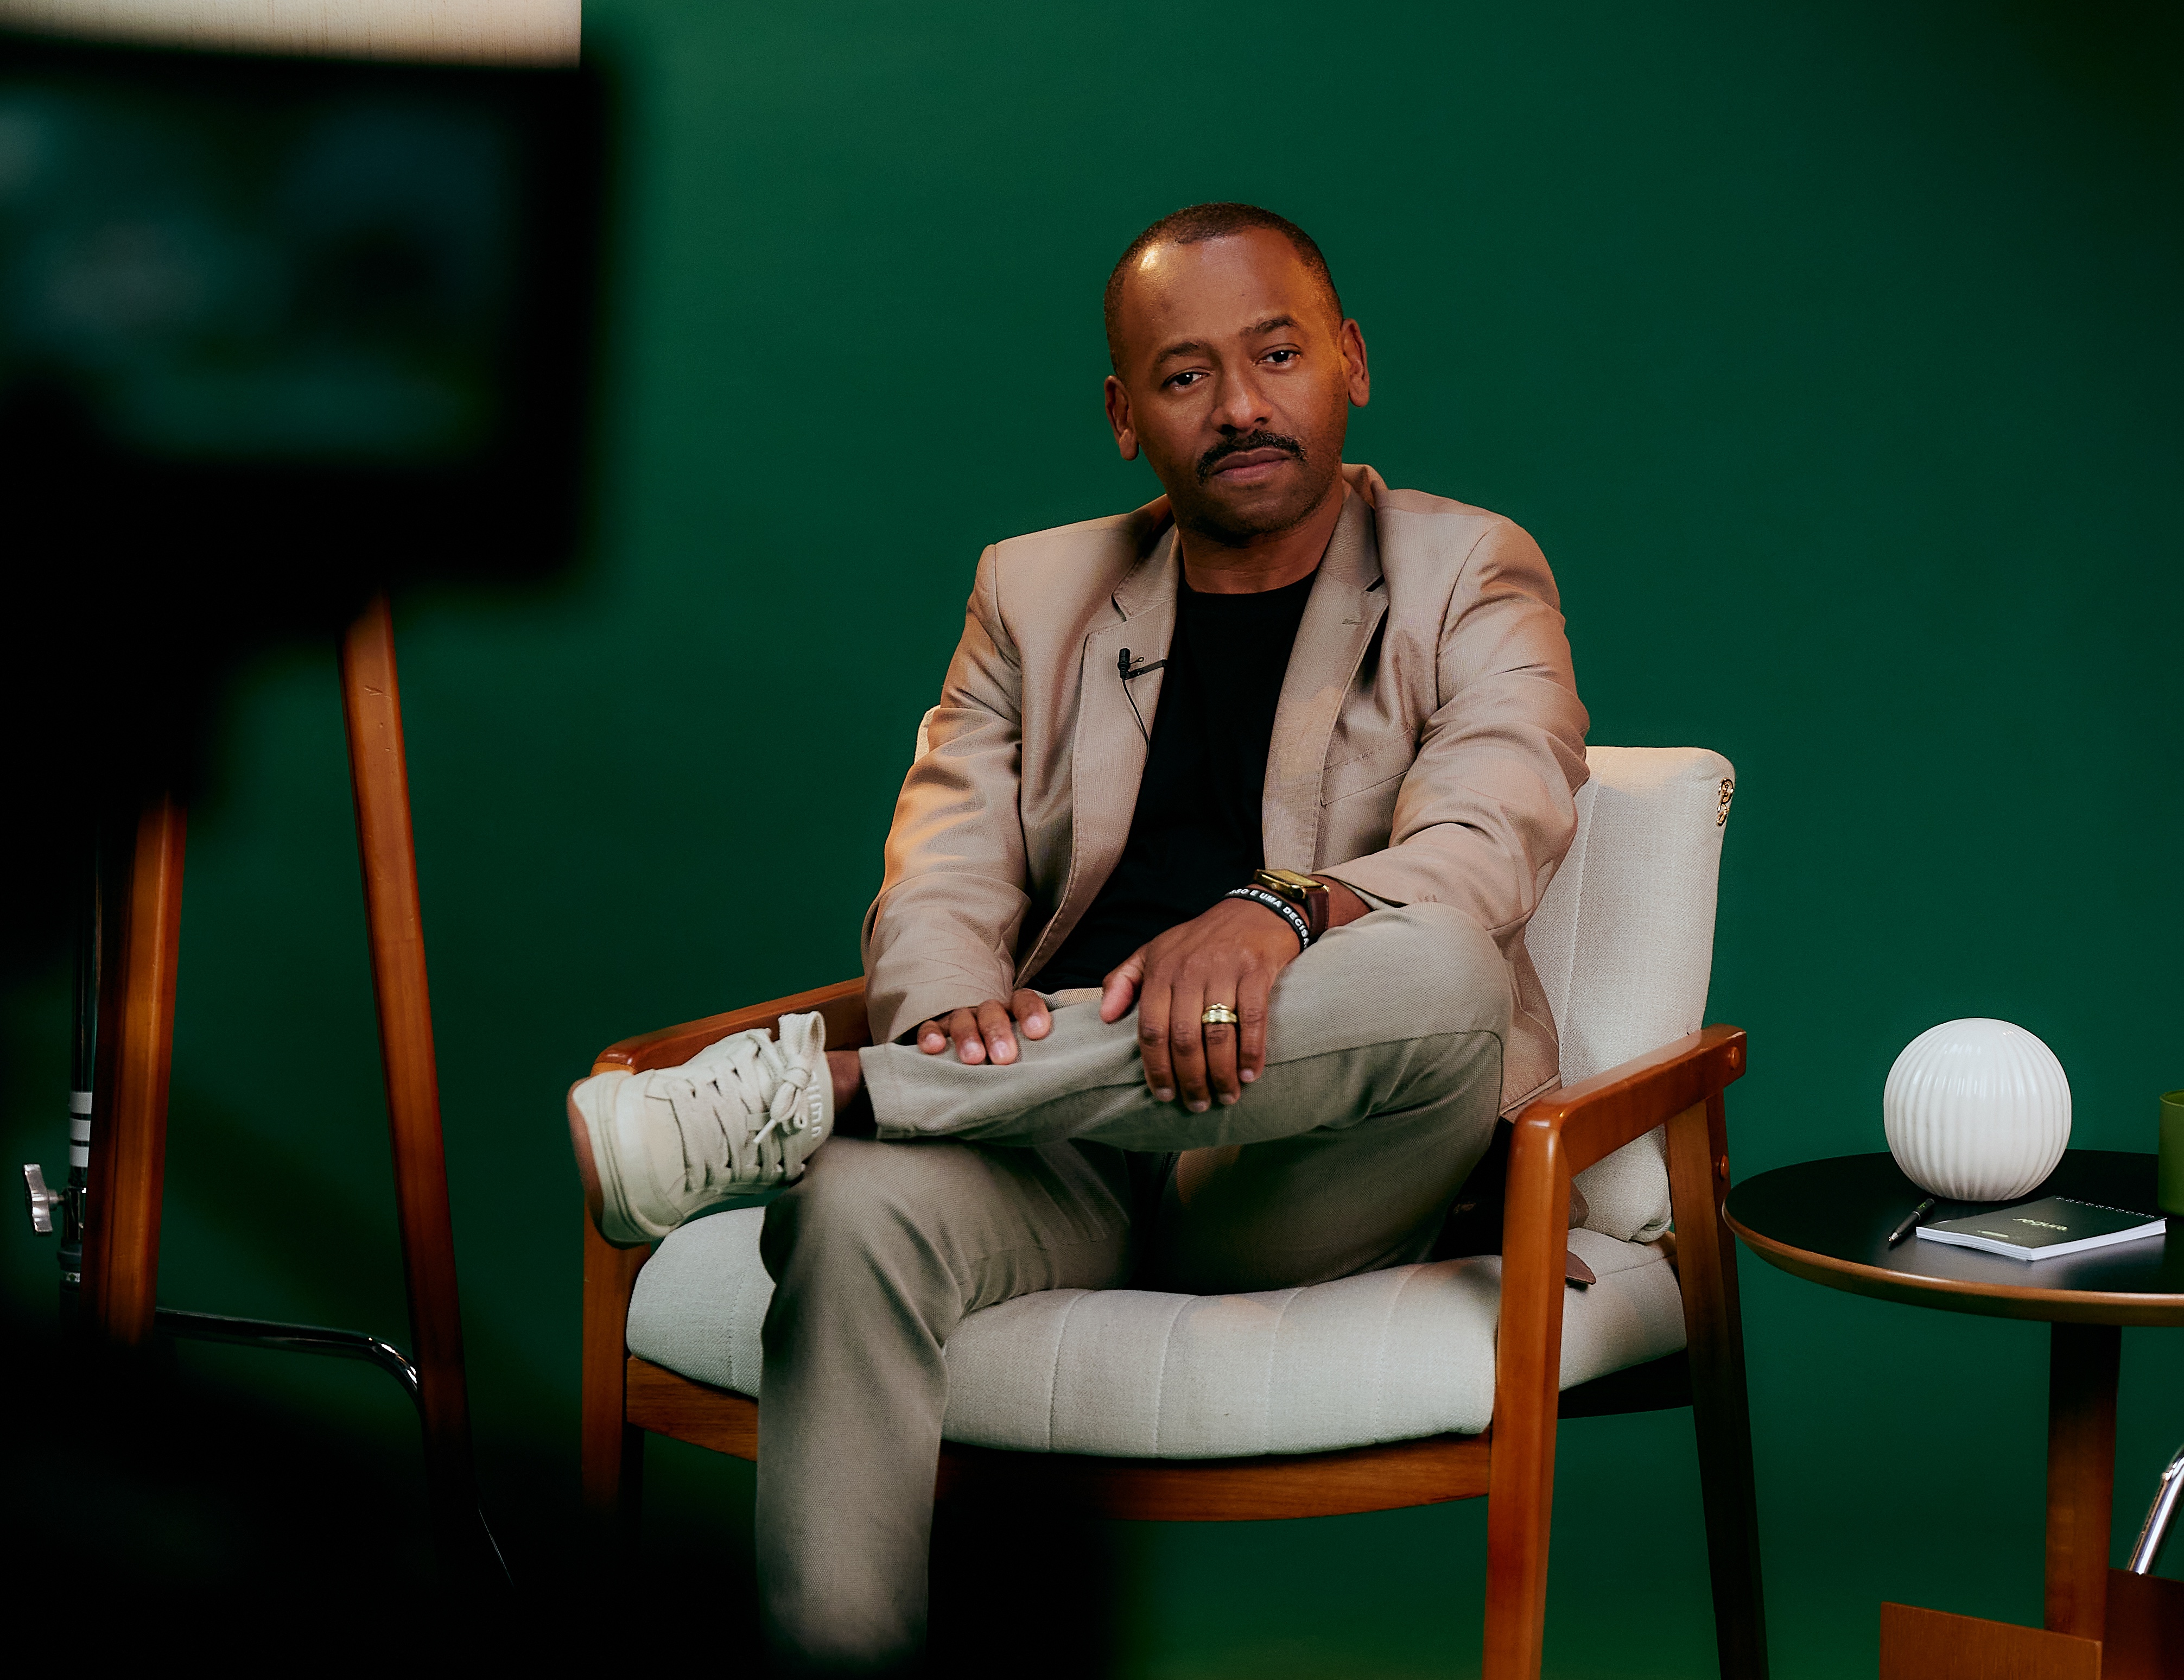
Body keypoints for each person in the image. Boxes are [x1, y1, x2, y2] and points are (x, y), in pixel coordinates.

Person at [566, 202, 1589, 1674]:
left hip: (1300, 1168)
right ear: (1125, 416)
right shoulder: (1032, 590)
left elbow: (1491, 832)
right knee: (854, 1212)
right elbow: (945, 860)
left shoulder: (1470, 568)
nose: (1239, 407)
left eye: (1277, 355)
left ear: (1351, 363)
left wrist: (1275, 910)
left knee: (1445, 968)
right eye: (1184, 376)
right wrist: (942, 1014)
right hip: (1051, 1149)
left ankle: (830, 1094)